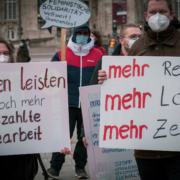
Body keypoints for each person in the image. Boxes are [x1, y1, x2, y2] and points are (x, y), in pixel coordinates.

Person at [88, 0, 180, 180]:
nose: (158, 16)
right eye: (153, 12)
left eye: (162, 11)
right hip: (145, 149)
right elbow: (127, 87)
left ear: (171, 15)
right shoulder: (138, 47)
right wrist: (109, 80)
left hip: (176, 147)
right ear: (145, 16)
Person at [0, 37, 73, 180]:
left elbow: (39, 111)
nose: (2, 57)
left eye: (5, 53)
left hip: (19, 156)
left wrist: (58, 139)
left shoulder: (23, 80)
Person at [46, 24, 102, 179]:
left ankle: (80, 168)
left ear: (90, 35)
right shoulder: (61, 53)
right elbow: (49, 76)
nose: (82, 35)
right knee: (63, 137)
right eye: (79, 33)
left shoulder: (97, 54)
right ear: (74, 34)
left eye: (85, 33)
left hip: (88, 104)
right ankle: (54, 167)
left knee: (85, 139)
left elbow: (104, 77)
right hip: (67, 104)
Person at [81, 23, 141, 147]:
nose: (137, 40)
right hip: (114, 126)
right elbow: (91, 97)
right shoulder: (105, 63)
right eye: (133, 36)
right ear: (121, 40)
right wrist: (86, 130)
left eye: (140, 37)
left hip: (138, 126)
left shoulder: (149, 63)